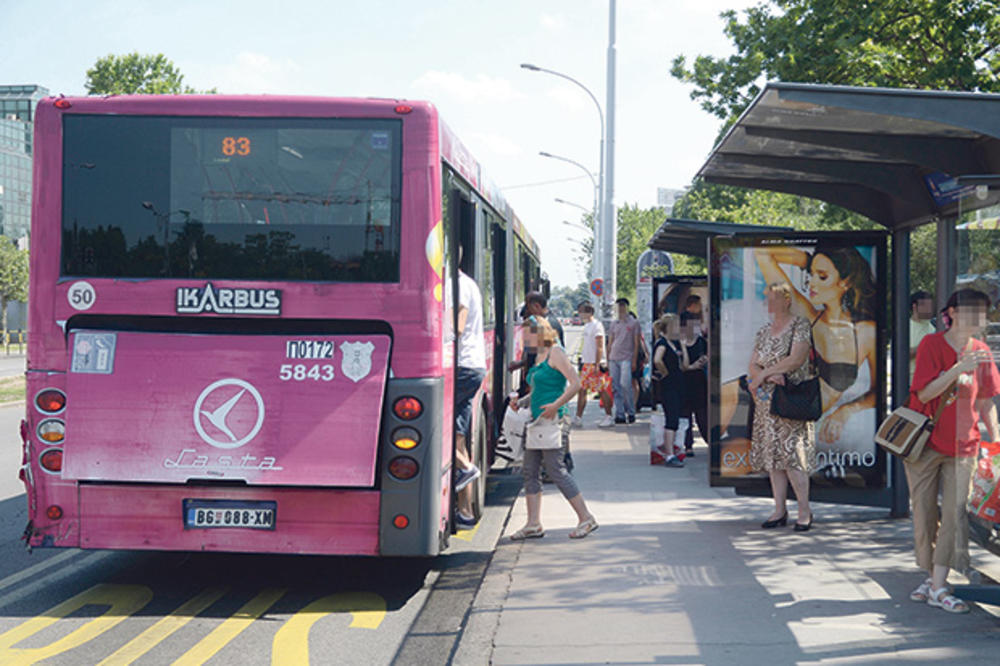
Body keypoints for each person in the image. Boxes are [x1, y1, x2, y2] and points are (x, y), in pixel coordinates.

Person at [905, 288, 1000, 614]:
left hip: (966, 446)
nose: (980, 319)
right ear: (954, 312)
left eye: (984, 313)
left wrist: (997, 441)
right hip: (926, 445)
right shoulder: (932, 344)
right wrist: (958, 368)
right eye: (974, 311)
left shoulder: (983, 352)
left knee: (954, 515)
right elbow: (925, 391)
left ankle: (938, 586)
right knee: (925, 514)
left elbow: (987, 402)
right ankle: (933, 578)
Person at [751, 245, 878, 454]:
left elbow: (878, 390)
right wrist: (809, 261)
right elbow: (763, 254)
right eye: (811, 275)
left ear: (844, 282)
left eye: (822, 276)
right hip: (787, 400)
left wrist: (845, 411)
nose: (811, 282)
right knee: (735, 389)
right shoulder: (810, 317)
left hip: (805, 408)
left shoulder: (865, 331)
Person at [508, 315, 598, 540]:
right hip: (537, 421)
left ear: (540, 332)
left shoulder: (555, 352)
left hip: (554, 419)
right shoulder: (538, 356)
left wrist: (556, 405)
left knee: (555, 469)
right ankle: (533, 523)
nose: (524, 339)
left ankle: (586, 518)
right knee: (530, 471)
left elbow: (575, 383)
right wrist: (520, 403)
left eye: (528, 334)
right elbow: (538, 390)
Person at [747, 283, 816, 531]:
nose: (769, 303)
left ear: (787, 300)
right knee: (774, 458)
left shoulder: (800, 325)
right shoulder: (764, 331)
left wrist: (765, 374)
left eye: (773, 298)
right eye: (767, 299)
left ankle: (804, 510)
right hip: (766, 403)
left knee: (793, 457)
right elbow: (752, 365)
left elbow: (796, 358)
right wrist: (764, 376)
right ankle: (779, 509)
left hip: (790, 400)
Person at [453, 266, 487, 530]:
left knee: (433, 432)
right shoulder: (468, 282)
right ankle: (464, 511)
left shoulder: (459, 283)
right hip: (472, 365)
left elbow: (458, 327)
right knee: (458, 436)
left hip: (462, 366)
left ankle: (465, 467)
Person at [652, 314, 685, 467]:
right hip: (669, 386)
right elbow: (657, 360)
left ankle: (671, 451)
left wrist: (683, 346)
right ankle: (669, 454)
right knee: (671, 419)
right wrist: (664, 372)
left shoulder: (674, 343)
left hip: (677, 385)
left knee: (675, 418)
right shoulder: (663, 343)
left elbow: (684, 365)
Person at [574, 302, 613, 428]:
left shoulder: (597, 326)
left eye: (581, 311)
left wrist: (597, 364)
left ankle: (608, 416)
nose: (579, 314)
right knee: (582, 390)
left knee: (602, 390)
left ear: (589, 312)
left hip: (595, 364)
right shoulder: (587, 326)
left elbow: (600, 346)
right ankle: (578, 417)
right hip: (587, 363)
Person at [607, 297, 641, 424]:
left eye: (623, 306)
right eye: (618, 306)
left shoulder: (633, 323)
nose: (620, 309)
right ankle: (620, 414)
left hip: (627, 357)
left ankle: (631, 411)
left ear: (627, 307)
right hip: (614, 359)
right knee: (616, 387)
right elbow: (610, 341)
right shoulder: (613, 323)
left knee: (625, 385)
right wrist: (608, 356)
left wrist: (634, 360)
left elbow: (636, 343)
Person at [679, 311, 709, 457]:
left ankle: (710, 441)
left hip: (698, 382)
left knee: (702, 415)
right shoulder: (678, 343)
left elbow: (707, 356)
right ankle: (688, 445)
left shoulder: (701, 341)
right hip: (684, 382)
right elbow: (680, 365)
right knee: (685, 415)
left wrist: (703, 360)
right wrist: (692, 366)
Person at [909, 290, 936, 380]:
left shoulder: (934, 325)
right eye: (926, 306)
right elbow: (900, 354)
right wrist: (926, 345)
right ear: (914, 307)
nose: (930, 309)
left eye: (931, 306)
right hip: (911, 382)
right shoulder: (904, 328)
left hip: (931, 381)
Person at [629, 311, 649, 411]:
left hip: (636, 358)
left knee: (634, 381)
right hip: (626, 357)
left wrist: (646, 354)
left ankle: (634, 404)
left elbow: (642, 342)